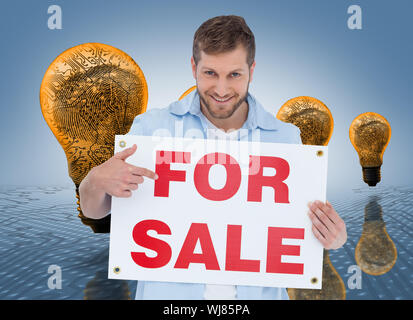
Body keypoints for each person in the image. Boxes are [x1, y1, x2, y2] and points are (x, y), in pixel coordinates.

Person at [79, 15, 347, 300]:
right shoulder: (151, 128)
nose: (221, 89)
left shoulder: (285, 138)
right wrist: (95, 180)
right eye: (210, 73)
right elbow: (97, 210)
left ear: (251, 71)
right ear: (194, 67)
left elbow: (295, 227)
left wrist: (334, 238)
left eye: (234, 74)